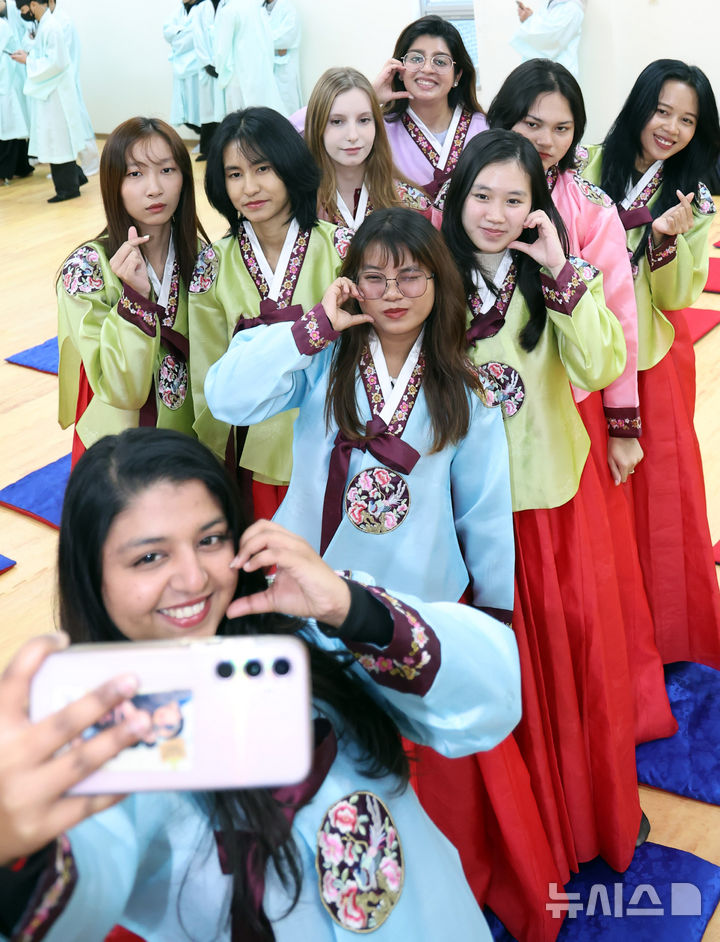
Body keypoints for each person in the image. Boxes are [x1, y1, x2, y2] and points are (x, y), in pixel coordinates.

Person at [0, 427, 521, 941]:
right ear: (93, 576)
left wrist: (351, 608)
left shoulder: (309, 630)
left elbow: (493, 698)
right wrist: (15, 851)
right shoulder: (100, 736)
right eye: (149, 557)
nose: (193, 578)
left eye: (209, 539)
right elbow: (85, 884)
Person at [415, 129, 643, 939]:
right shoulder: (427, 275)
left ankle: (577, 824)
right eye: (483, 196)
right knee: (492, 675)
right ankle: (508, 842)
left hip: (546, 506)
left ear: (537, 206)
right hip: (460, 519)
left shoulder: (548, 276)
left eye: (517, 199)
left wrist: (558, 267)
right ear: (457, 197)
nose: (497, 214)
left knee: (564, 664)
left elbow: (599, 361)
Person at [486, 58, 676, 745]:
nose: (544, 138)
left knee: (576, 583)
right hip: (479, 427)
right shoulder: (466, 198)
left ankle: (583, 714)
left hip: (567, 414)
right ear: (500, 117)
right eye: (530, 122)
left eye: (561, 128)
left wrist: (624, 426)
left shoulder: (587, 210)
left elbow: (619, 323)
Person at [204, 207, 515, 617]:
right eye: (374, 277)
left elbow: (484, 510)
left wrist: (494, 611)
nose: (392, 292)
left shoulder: (468, 389)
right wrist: (313, 328)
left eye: (410, 276)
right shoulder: (322, 358)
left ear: (438, 281)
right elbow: (227, 398)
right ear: (351, 284)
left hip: (417, 593)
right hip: (311, 577)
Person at [580, 59, 720, 670]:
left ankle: (668, 640)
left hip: (653, 362)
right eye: (662, 110)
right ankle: (609, 628)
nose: (671, 128)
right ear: (639, 105)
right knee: (597, 494)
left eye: (688, 120)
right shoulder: (587, 163)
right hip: (587, 354)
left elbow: (675, 299)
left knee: (662, 495)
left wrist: (665, 241)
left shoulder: (697, 195)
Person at [188, 106, 349, 519]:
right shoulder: (212, 265)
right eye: (235, 174)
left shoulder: (342, 248)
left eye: (263, 168)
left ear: (289, 167)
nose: (250, 187)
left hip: (335, 443)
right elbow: (208, 375)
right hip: (251, 450)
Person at [57, 116, 208, 465]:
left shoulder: (201, 257)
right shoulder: (86, 270)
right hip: (118, 451)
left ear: (185, 178)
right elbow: (119, 389)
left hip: (192, 440)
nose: (154, 188)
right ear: (113, 184)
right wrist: (135, 301)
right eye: (135, 174)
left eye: (167, 170)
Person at [373, 15, 487, 200]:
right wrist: (369, 96)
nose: (427, 69)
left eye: (440, 61)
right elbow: (312, 131)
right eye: (416, 59)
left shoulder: (484, 128)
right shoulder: (377, 129)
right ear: (399, 70)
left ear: (457, 75)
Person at [304, 67, 430, 228]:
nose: (353, 135)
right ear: (316, 125)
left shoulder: (410, 202)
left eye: (363, 120)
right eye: (337, 121)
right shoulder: (298, 204)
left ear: (376, 124)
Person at [11, 0, 86, 201]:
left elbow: (56, 62)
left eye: (24, 8)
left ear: (34, 4)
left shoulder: (51, 27)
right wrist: (29, 55)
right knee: (55, 141)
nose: (23, 13)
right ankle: (74, 180)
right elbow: (45, 55)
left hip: (56, 93)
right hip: (50, 92)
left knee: (59, 142)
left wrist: (28, 61)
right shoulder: (44, 25)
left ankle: (68, 189)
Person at [214, 0, 285, 115]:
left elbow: (222, 51)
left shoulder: (229, 11)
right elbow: (268, 42)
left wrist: (221, 72)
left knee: (240, 123)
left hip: (237, 78)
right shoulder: (258, 8)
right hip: (260, 74)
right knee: (263, 117)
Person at [0, 0, 33, 182]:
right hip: (7, 80)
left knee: (10, 127)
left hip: (8, 80)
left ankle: (8, 170)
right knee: (12, 126)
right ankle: (21, 166)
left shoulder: (3, 25)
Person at [511, 0, 585, 80]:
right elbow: (542, 30)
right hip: (542, 74)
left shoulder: (572, 9)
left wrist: (529, 20)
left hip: (558, 77)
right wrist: (530, 18)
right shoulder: (550, 4)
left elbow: (550, 40)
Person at [162, 0, 202, 136]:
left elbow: (194, 36)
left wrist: (178, 33)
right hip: (180, 65)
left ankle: (205, 143)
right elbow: (167, 31)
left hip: (197, 66)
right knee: (185, 111)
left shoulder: (203, 8)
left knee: (200, 110)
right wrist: (182, 32)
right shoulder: (179, 9)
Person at [264, 0, 302, 114]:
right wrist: (273, 48)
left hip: (284, 68)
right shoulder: (259, 10)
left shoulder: (288, 8)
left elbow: (287, 38)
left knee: (287, 106)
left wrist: (264, 44)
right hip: (266, 68)